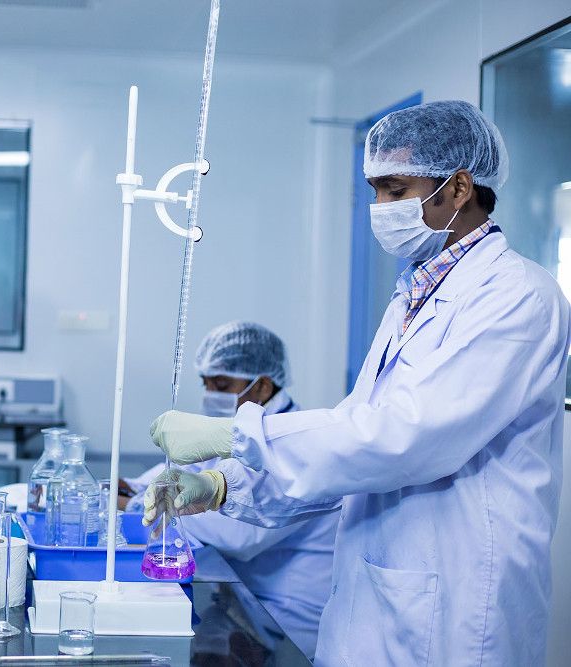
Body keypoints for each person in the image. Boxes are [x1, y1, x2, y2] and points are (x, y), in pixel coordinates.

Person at [144, 100, 571, 665]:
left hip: (460, 598)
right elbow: (354, 438)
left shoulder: (517, 295)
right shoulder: (414, 294)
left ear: (459, 187)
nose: (381, 208)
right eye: (375, 191)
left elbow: (405, 436)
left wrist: (236, 435)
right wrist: (225, 487)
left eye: (396, 190)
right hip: (383, 587)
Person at [122, 321, 335, 659]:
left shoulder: (291, 445)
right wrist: (133, 486)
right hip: (243, 601)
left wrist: (137, 504)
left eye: (221, 384)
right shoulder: (242, 428)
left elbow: (240, 535)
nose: (211, 394)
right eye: (206, 383)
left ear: (262, 385)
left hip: (288, 620)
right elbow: (195, 467)